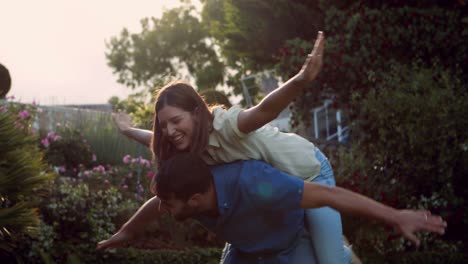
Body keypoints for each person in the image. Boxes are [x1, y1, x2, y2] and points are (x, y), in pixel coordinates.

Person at [114, 31, 356, 263]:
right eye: (164, 125)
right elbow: (155, 139)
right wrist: (127, 130)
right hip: (278, 189)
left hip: (309, 172)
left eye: (176, 121)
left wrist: (301, 80)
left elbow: (264, 110)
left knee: (330, 260)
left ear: (197, 114)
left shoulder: (226, 127)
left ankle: (343, 252)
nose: (169, 131)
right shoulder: (186, 144)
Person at [97, 152, 447, 264]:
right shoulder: (189, 194)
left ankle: (342, 254)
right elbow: (153, 206)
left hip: (292, 244)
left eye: (168, 203)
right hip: (247, 250)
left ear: (194, 201)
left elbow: (330, 196)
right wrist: (127, 232)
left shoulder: (255, 183)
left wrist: (395, 216)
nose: (163, 208)